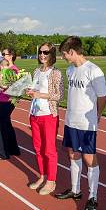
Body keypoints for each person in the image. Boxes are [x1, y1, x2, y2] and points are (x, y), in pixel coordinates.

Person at [54, 36, 106, 210]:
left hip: (87, 123)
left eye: (64, 54)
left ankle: (93, 196)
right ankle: (75, 190)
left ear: (72, 52)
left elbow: (103, 97)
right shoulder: (70, 70)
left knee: (89, 158)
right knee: (72, 153)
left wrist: (97, 116)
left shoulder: (93, 70)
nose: (63, 58)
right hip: (71, 121)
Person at [26, 43, 64, 195]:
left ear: (52, 54)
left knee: (49, 150)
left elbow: (59, 95)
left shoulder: (55, 73)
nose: (42, 55)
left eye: (45, 52)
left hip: (48, 114)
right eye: (40, 52)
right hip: (34, 114)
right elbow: (35, 89)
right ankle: (42, 176)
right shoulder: (36, 71)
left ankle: (51, 181)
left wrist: (39, 95)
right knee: (37, 148)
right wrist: (29, 90)